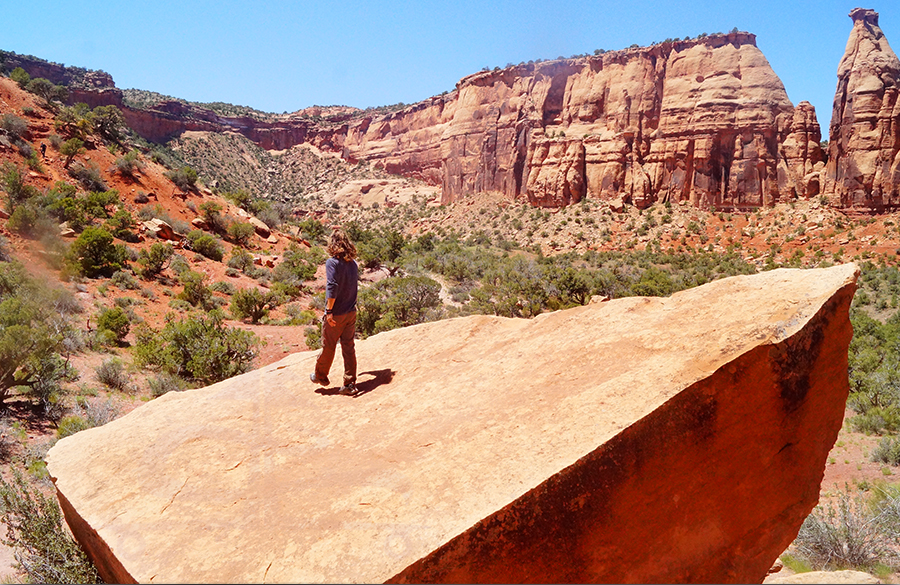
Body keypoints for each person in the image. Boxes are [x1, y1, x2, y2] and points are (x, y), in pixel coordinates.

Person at [310, 228, 359, 395]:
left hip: (337, 313)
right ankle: (349, 384)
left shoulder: (332, 263)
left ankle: (320, 376)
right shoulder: (353, 264)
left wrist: (329, 310)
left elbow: (332, 286)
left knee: (328, 346)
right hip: (351, 311)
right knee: (348, 347)